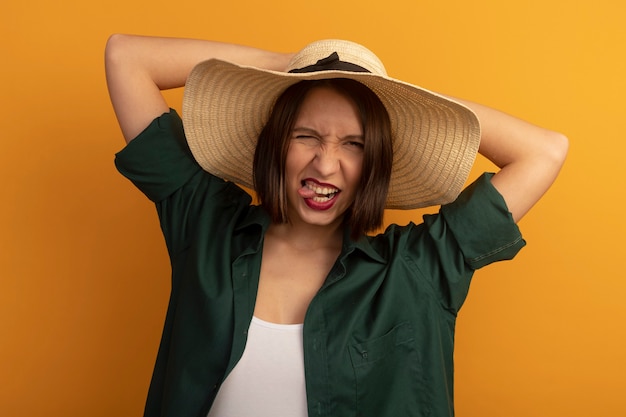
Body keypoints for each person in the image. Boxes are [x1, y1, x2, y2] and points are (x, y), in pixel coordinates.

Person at [105, 34, 568, 417]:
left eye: (355, 144)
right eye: (305, 136)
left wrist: (408, 101)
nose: (326, 164)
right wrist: (288, 67)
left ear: (375, 165)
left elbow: (544, 151)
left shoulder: (414, 270)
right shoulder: (206, 226)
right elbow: (126, 58)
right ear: (275, 145)